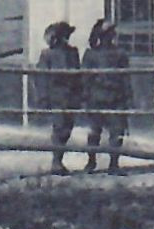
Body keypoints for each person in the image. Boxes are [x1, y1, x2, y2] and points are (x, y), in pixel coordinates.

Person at [82, 20, 130, 174]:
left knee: (117, 131)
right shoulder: (91, 54)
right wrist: (86, 96)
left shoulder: (120, 54)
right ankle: (91, 162)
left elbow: (126, 77)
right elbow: (85, 78)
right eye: (107, 33)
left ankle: (114, 164)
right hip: (96, 97)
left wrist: (128, 96)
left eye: (112, 33)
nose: (111, 36)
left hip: (116, 98)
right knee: (94, 132)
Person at [39, 22, 83, 175]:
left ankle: (59, 159)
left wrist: (79, 93)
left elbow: (78, 73)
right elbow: (42, 77)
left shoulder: (73, 52)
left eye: (68, 36)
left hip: (71, 95)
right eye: (64, 36)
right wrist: (43, 97)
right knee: (59, 127)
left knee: (67, 128)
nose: (66, 39)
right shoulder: (47, 54)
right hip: (56, 95)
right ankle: (56, 162)